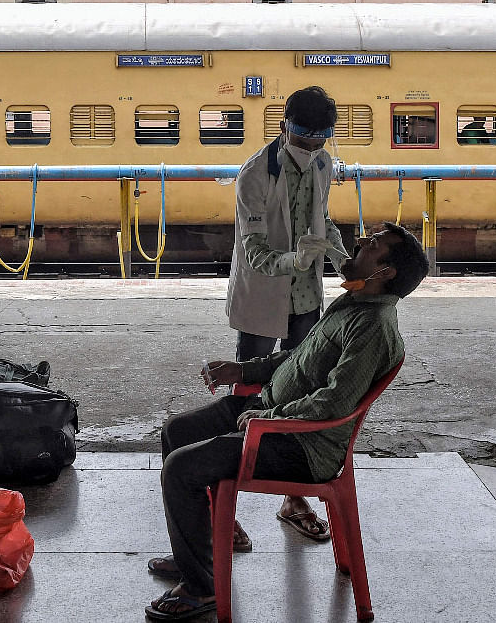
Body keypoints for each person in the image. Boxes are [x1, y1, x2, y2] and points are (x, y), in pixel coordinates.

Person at [144, 222, 429, 620]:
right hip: (270, 414)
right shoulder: (354, 305)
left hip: (301, 446)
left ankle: (201, 588)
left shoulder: (373, 327)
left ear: (386, 273)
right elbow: (300, 357)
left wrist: (270, 417)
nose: (359, 244)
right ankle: (200, 553)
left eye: (372, 245)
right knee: (177, 431)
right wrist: (243, 371)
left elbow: (334, 402)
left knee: (182, 468)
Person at [226, 85, 351, 548]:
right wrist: (292, 262)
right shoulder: (254, 176)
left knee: (297, 393)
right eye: (305, 139)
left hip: (306, 301)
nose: (313, 148)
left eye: (321, 139)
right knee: (247, 396)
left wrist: (340, 258)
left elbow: (323, 219)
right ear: (284, 126)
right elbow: (254, 251)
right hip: (263, 297)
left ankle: (293, 499)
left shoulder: (323, 164)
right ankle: (229, 502)